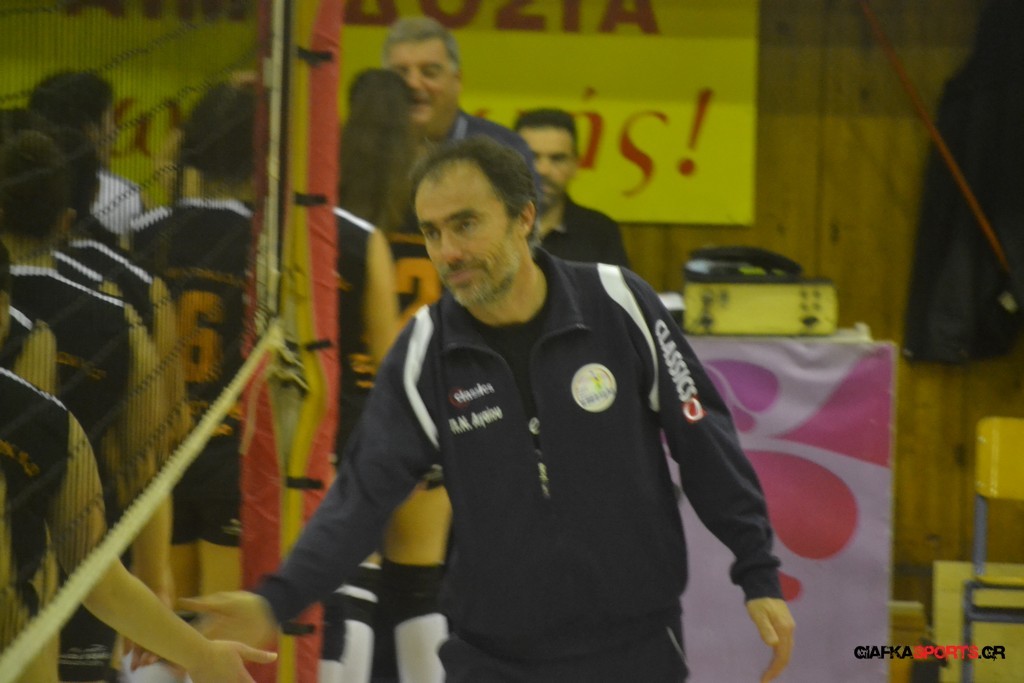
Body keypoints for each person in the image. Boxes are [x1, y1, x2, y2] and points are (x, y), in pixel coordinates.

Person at [183, 136, 795, 682]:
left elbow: (703, 437)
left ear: (523, 217)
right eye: (432, 232)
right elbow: (362, 497)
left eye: (466, 224)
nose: (447, 250)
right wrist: (276, 601)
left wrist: (757, 569)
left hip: (636, 649)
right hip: (493, 658)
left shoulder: (618, 302)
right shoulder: (425, 351)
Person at [0, 241, 277, 683]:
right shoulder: (46, 421)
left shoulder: (42, 421)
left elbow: (102, 582)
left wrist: (201, 654)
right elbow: (102, 582)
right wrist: (200, 653)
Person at [0, 128, 172, 683]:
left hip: (27, 577)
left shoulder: (27, 330)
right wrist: (155, 576)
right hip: (85, 567)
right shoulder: (116, 318)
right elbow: (146, 463)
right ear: (66, 220)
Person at [324, 68, 449, 683]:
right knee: (421, 581)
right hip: (423, 396)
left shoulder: (325, 196)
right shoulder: (439, 197)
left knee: (350, 575)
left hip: (341, 403)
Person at [130, 81, 255, 607]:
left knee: (164, 623)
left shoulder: (145, 233)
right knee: (220, 624)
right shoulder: (264, 244)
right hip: (232, 449)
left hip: (160, 450)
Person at [28, 71, 145, 242]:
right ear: (89, 131)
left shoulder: (15, 187)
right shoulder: (125, 196)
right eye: (111, 120)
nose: (116, 133)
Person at [514, 107, 630, 267]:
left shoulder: (599, 232)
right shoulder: (491, 224)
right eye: (532, 157)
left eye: (557, 158)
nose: (543, 170)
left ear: (575, 165)